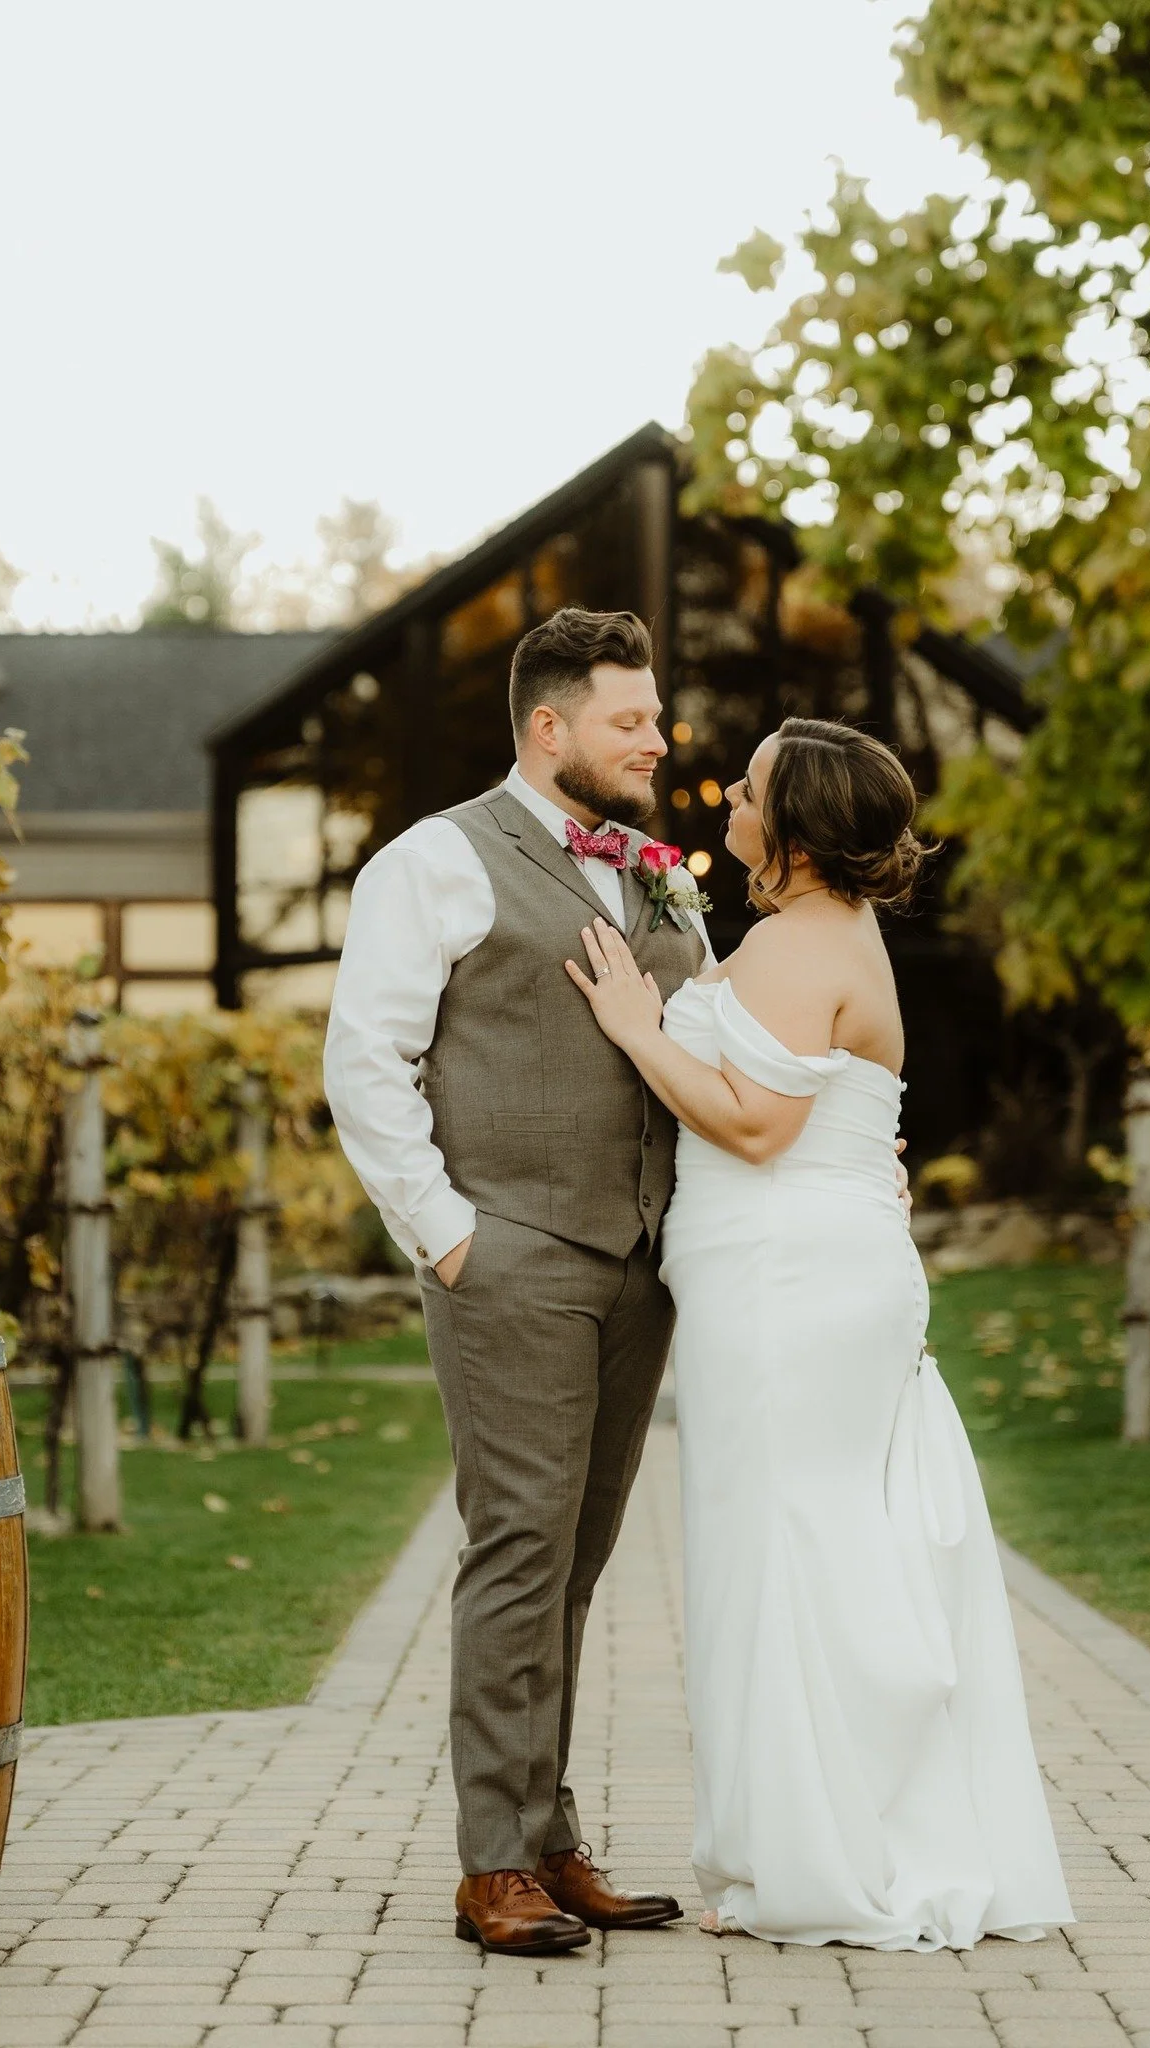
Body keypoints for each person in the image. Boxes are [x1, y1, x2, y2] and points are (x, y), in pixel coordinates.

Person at [566, 717, 1073, 1951]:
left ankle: (825, 1852)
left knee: (791, 1549)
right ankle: (807, 1835)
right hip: (797, 1274)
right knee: (792, 1540)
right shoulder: (820, 935)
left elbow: (752, 1127)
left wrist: (639, 1026)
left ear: (790, 834)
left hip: (792, 1282)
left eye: (746, 788)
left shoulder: (798, 943)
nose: (726, 796)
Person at [324, 607, 710, 1954]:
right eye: (629, 721)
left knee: (578, 1559)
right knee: (515, 1551)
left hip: (640, 1264)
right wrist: (447, 1234)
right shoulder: (432, 863)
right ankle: (491, 1861)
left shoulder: (653, 870)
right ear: (549, 728)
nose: (658, 741)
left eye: (654, 718)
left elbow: (706, 1032)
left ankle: (548, 1838)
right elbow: (363, 1063)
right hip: (510, 1256)